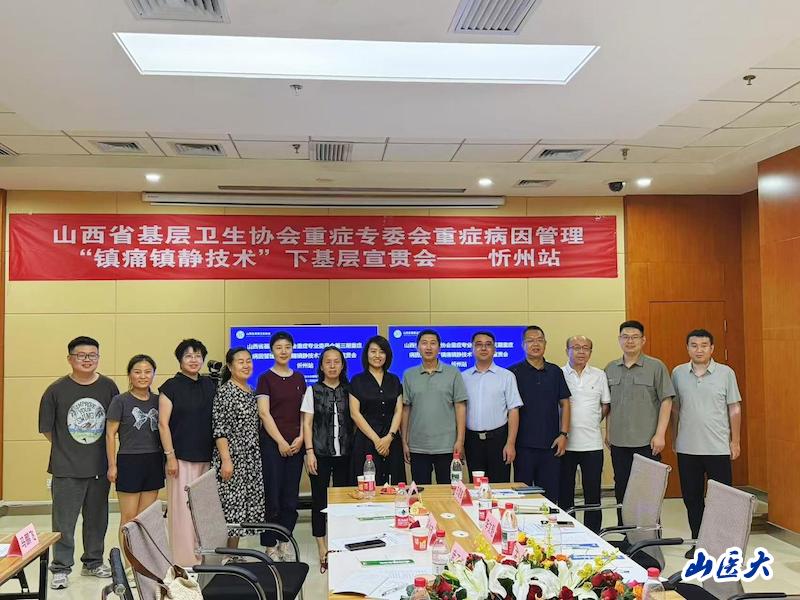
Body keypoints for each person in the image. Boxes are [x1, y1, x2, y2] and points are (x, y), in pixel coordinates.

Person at [38, 336, 119, 590]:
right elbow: (47, 429)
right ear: (70, 359)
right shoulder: (55, 390)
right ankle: (61, 568)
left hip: (99, 467)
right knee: (64, 523)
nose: (87, 360)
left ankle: (93, 562)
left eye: (92, 355)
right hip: (66, 468)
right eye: (81, 355)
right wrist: (69, 449)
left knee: (97, 519)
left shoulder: (109, 387)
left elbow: (114, 426)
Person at [671, 329, 742, 558]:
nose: (699, 350)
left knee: (722, 499)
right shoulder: (678, 373)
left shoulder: (726, 373)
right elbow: (675, 408)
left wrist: (735, 441)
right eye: (694, 345)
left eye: (704, 345)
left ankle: (721, 545)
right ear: (687, 348)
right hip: (687, 447)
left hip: (718, 447)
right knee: (692, 498)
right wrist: (674, 437)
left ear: (712, 348)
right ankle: (699, 542)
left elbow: (734, 408)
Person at [605, 320, 674, 524]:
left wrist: (660, 434)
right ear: (619, 340)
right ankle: (626, 533)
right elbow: (608, 405)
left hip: (647, 441)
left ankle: (649, 535)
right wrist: (608, 432)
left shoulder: (656, 366)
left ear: (643, 340)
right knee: (622, 488)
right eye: (625, 337)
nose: (630, 341)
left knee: (648, 491)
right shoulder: (610, 368)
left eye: (635, 337)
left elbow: (666, 400)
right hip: (619, 441)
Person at [157, 338, 216, 565]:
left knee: (203, 509)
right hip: (180, 458)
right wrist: (170, 456)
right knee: (182, 510)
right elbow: (163, 424)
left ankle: (204, 554)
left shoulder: (209, 384)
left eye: (198, 356)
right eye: (188, 356)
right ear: (180, 360)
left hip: (206, 457)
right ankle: (185, 559)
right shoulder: (170, 387)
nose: (194, 360)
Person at [255, 331, 306, 561]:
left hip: (296, 445)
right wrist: (281, 442)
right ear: (272, 351)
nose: (283, 351)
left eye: (287, 347)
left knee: (290, 497)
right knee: (272, 495)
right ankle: (269, 545)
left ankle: (285, 541)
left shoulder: (299, 378)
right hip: (272, 446)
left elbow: (305, 413)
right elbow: (264, 414)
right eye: (278, 347)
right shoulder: (265, 378)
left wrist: (301, 437)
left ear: (292, 349)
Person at [106, 355, 163, 559]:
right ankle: (129, 564)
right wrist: (112, 465)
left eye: (148, 372)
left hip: (154, 460)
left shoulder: (158, 400)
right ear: (130, 375)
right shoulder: (120, 401)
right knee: (129, 517)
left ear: (153, 375)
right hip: (129, 461)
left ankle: (144, 562)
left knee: (145, 517)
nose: (143, 376)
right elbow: (110, 434)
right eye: (137, 372)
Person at [302, 346, 353, 573]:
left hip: (346, 454)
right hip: (320, 454)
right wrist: (309, 451)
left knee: (342, 503)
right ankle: (322, 548)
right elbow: (307, 424)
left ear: (342, 365)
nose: (332, 366)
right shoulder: (312, 391)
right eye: (328, 362)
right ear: (321, 366)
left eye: (336, 362)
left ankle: (340, 544)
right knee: (319, 502)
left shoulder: (350, 390)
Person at [510, 326, 571, 503]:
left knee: (550, 497)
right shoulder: (513, 373)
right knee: (523, 497)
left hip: (551, 445)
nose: (535, 344)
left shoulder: (555, 371)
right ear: (523, 345)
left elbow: (565, 403)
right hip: (522, 446)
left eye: (539, 340)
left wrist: (563, 434)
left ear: (545, 344)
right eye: (530, 341)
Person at [212, 347, 266, 548]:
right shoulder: (225, 391)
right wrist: (226, 460)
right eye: (240, 361)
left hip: (250, 459)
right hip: (232, 458)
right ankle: (225, 555)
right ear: (230, 366)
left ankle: (233, 552)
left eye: (248, 361)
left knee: (242, 507)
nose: (246, 365)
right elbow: (220, 429)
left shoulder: (251, 391)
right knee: (230, 506)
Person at [401, 329, 468, 485]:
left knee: (449, 491)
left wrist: (460, 440)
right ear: (418, 347)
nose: (428, 347)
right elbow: (405, 410)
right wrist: (404, 441)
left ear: (439, 348)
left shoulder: (453, 373)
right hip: (418, 446)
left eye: (433, 343)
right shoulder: (409, 375)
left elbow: (460, 407)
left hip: (447, 446)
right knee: (420, 492)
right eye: (424, 343)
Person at [559, 336, 610, 533]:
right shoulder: (559, 373)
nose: (581, 351)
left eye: (586, 348)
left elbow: (605, 405)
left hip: (592, 444)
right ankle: (568, 532)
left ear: (590, 352)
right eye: (576, 347)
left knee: (593, 493)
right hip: (566, 445)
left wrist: (592, 421)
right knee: (565, 492)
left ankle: (593, 533)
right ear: (567, 350)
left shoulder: (599, 375)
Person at [461, 330, 523, 484]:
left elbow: (513, 410)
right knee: (476, 487)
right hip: (472, 441)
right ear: (472, 349)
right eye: (479, 344)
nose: (483, 348)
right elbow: (459, 411)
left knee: (500, 487)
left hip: (499, 440)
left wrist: (510, 443)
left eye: (488, 345)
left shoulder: (507, 376)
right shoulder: (463, 377)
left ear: (494, 349)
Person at [350, 335, 405, 487]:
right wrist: (377, 441)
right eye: (373, 351)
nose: (377, 356)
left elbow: (398, 411)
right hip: (366, 441)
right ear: (366, 354)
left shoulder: (394, 380)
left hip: (391, 441)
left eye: (382, 352)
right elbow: (355, 414)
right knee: (367, 487)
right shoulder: (357, 380)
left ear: (387, 355)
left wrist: (389, 437)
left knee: (394, 486)